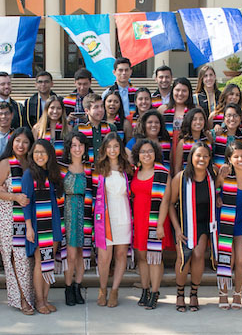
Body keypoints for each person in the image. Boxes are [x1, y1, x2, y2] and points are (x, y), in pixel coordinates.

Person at [0, 128, 36, 314]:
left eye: (25, 142)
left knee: (26, 258)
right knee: (14, 258)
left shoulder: (32, 163)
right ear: (12, 142)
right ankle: (21, 299)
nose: (21, 145)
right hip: (7, 215)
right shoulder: (6, 163)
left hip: (27, 216)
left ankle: (29, 295)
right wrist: (14, 197)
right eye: (18, 141)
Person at [168, 141, 217, 312]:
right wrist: (177, 229)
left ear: (209, 158)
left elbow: (218, 190)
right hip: (184, 223)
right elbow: (170, 204)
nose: (201, 159)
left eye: (205, 156)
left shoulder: (212, 176)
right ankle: (180, 294)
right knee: (183, 258)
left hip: (204, 224)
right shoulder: (180, 178)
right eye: (198, 155)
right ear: (191, 157)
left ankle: (194, 293)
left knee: (197, 255)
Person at [23, 140, 65, 314]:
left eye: (43, 152)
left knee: (50, 261)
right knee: (41, 262)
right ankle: (39, 301)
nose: (39, 155)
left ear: (50, 155)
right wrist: (29, 228)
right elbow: (25, 203)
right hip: (39, 224)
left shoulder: (53, 174)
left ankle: (46, 299)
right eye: (36, 152)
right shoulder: (29, 174)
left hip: (54, 222)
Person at [92, 132, 133, 308]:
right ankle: (103, 289)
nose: (113, 150)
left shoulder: (128, 169)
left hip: (123, 216)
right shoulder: (99, 169)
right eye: (109, 146)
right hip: (105, 218)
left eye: (116, 146)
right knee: (104, 258)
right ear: (104, 149)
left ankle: (115, 290)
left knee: (121, 254)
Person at [130, 138, 171, 310]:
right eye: (143, 151)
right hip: (138, 220)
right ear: (138, 155)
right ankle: (145, 289)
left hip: (155, 220)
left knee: (154, 258)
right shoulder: (135, 171)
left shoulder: (162, 172)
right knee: (141, 257)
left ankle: (154, 292)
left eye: (150, 151)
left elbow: (165, 201)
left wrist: (160, 224)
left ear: (155, 154)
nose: (147, 154)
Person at [214, 140, 242, 310]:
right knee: (226, 259)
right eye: (236, 156)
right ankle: (222, 294)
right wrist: (218, 195)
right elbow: (214, 190)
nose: (240, 159)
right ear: (229, 158)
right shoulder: (225, 174)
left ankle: (238, 293)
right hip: (227, 219)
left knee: (241, 259)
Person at [61, 132, 92, 307]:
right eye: (74, 145)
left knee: (81, 253)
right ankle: (68, 288)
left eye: (80, 145)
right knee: (71, 255)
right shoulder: (62, 168)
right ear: (69, 148)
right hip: (68, 211)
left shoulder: (89, 168)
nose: (77, 148)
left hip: (84, 212)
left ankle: (77, 286)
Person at [74, 93, 116, 163]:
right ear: (87, 111)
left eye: (102, 106)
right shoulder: (79, 129)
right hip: (87, 168)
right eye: (96, 107)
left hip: (106, 168)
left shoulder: (110, 128)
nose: (100, 110)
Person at [173, 107, 212, 177]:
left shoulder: (208, 140)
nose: (198, 122)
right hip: (188, 179)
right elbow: (177, 166)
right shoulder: (183, 142)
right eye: (194, 119)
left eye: (201, 119)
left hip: (205, 179)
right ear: (189, 121)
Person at [212, 103, 242, 171]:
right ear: (224, 118)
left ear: (240, 118)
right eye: (229, 115)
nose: (232, 119)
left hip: (237, 173)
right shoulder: (215, 133)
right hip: (217, 173)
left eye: (235, 115)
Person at [34, 96, 67, 160]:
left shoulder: (68, 128)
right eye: (52, 108)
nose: (55, 111)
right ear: (46, 109)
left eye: (59, 108)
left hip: (62, 167)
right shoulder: (37, 129)